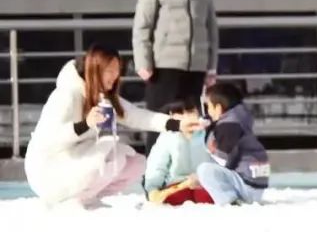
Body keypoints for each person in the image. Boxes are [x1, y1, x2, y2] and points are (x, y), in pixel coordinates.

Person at [24, 45, 203, 207]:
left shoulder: (102, 97)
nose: (115, 76)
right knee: (108, 156)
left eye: (117, 70)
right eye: (109, 70)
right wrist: (84, 125)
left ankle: (87, 198)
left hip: (77, 162)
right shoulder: (66, 95)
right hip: (48, 169)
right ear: (95, 69)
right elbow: (48, 139)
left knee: (135, 163)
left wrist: (178, 124)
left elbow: (138, 116)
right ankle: (70, 200)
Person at [133, 0, 218, 150]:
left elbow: (211, 26)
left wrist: (211, 66)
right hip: (164, 66)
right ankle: (153, 177)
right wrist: (143, 62)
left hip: (196, 66)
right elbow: (143, 24)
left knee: (192, 123)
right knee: (161, 122)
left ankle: (185, 175)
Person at [196, 82, 270, 205]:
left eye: (208, 106)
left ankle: (230, 202)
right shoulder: (239, 119)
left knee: (204, 170)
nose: (207, 111)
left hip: (248, 187)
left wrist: (198, 177)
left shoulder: (228, 126)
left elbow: (222, 161)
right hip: (256, 185)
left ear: (218, 108)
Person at [143, 96, 213, 205]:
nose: (185, 117)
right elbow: (157, 165)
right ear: (171, 115)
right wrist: (153, 188)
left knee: (206, 198)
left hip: (206, 182)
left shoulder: (208, 134)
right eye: (180, 113)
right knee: (176, 197)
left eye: (190, 112)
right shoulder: (167, 137)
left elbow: (218, 161)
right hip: (178, 184)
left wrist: (203, 178)